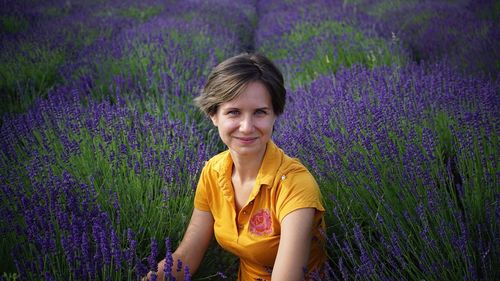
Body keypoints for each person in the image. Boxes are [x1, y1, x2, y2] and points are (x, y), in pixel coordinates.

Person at [147, 53, 326, 281]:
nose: (246, 127)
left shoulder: (295, 186)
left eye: (260, 112)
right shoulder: (213, 172)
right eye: (234, 112)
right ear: (213, 115)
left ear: (275, 115)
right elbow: (186, 257)